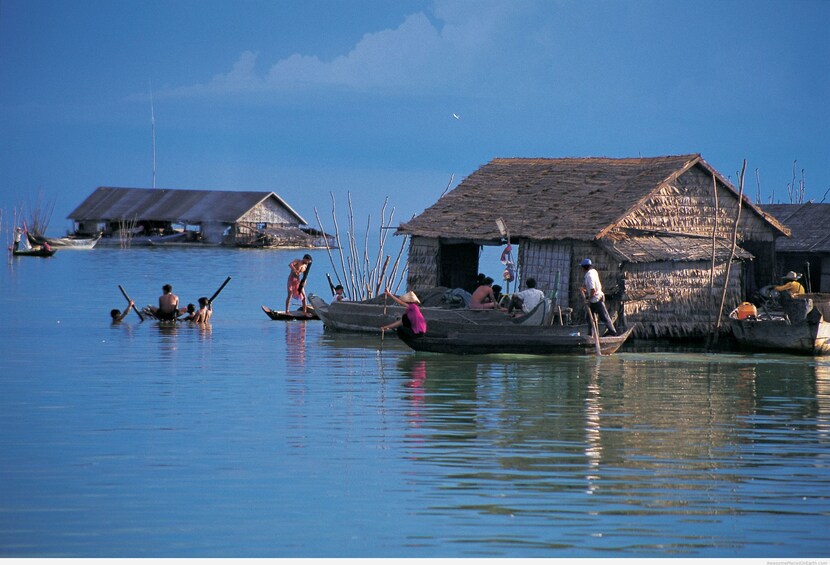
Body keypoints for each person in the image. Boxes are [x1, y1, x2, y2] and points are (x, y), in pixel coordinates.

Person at [580, 258, 617, 336]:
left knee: (604, 317)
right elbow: (593, 288)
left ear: (583, 268)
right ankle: (590, 335)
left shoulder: (589, 276)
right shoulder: (593, 271)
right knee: (590, 318)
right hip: (595, 298)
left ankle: (613, 334)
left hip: (596, 299)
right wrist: (585, 290)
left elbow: (593, 290)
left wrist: (588, 300)